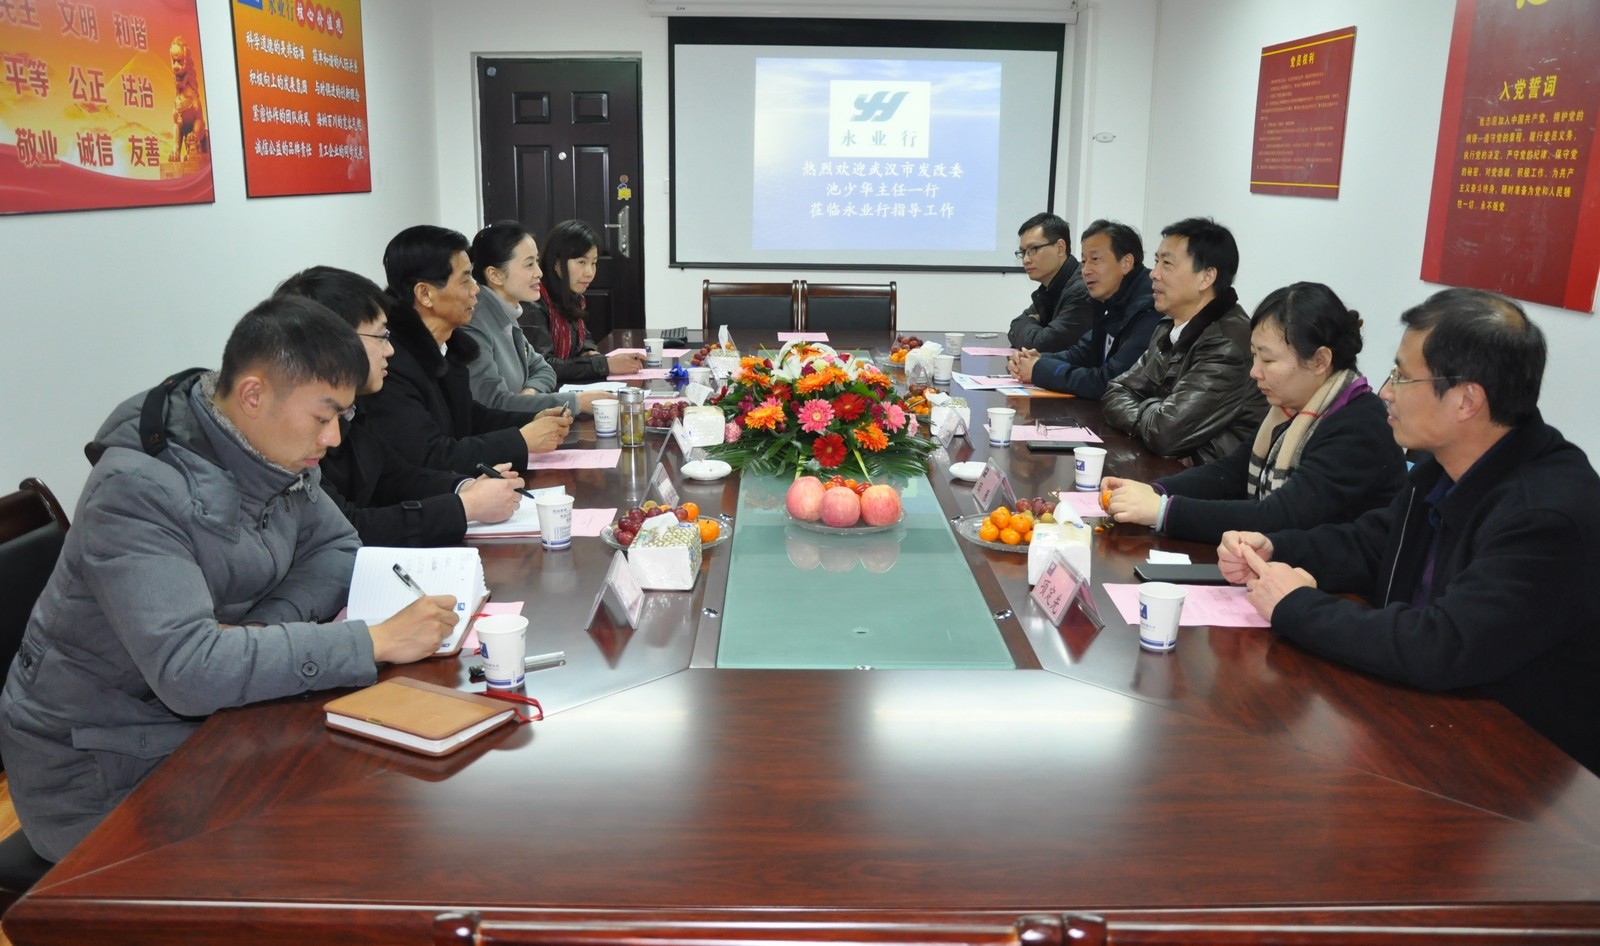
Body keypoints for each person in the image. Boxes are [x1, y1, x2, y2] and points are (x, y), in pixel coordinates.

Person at [0, 297, 460, 861]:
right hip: (99, 772)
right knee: (333, 842)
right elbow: (190, 671)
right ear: (253, 395)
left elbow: (338, 548)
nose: (334, 439)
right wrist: (371, 642)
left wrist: (261, 630)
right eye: (323, 418)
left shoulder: (271, 450)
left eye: (342, 418)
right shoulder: (135, 492)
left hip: (206, 725)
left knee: (383, 798)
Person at [1220, 288, 1600, 775]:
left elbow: (1442, 645)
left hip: (1512, 767)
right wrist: (1272, 549)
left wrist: (1296, 605)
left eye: (1402, 376)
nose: (1385, 391)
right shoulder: (1444, 466)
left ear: (1466, 400)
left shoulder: (1545, 516)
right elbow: (1371, 543)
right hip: (1421, 722)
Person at [1100, 282, 1405, 543]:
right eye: (1254, 356)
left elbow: (1279, 517)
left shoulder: (1359, 426)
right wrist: (1154, 491)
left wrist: (1163, 511)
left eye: (1268, 361)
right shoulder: (1290, 409)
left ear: (1320, 361)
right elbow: (1231, 472)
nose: (1255, 372)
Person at [275, 265, 527, 546]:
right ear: (334, 344)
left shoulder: (353, 408)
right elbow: (348, 526)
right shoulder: (291, 434)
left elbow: (394, 476)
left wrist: (465, 487)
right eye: (381, 337)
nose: (390, 350)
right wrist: (466, 507)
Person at [360, 224, 572, 475]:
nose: (475, 289)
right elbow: (430, 455)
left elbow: (470, 416)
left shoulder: (449, 346)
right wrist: (521, 440)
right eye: (465, 280)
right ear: (425, 294)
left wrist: (531, 419)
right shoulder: (391, 363)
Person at [1102, 217, 1265, 464]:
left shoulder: (1227, 344)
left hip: (1208, 481)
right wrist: (1157, 409)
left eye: (1167, 264)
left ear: (1206, 277)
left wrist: (1150, 409)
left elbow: (1164, 433)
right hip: (1167, 468)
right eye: (1156, 261)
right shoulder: (1169, 326)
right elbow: (1115, 391)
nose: (1154, 274)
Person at [464, 221, 609, 416]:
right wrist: (576, 402)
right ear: (495, 275)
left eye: (537, 262)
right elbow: (494, 404)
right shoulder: (475, 324)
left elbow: (544, 369)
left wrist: (529, 394)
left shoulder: (506, 311)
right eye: (529, 265)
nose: (539, 273)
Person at [1006, 219, 1161, 397]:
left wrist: (1038, 370)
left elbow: (1112, 381)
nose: (1085, 270)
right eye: (1084, 261)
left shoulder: (1149, 308)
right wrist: (1034, 360)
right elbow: (1084, 353)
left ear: (1126, 262)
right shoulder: (1109, 299)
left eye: (1095, 260)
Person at [524, 219, 643, 384]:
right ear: (556, 263)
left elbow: (583, 339)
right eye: (581, 262)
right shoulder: (534, 302)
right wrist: (604, 365)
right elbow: (544, 366)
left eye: (593, 263)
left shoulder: (573, 296)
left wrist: (590, 354)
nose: (589, 272)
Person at [1005, 212, 1096, 353]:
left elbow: (1044, 345)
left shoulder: (1081, 289)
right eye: (1023, 252)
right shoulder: (1049, 289)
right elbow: (1015, 326)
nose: (1026, 260)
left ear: (1060, 248)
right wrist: (1032, 324)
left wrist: (1031, 322)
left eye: (1033, 249)